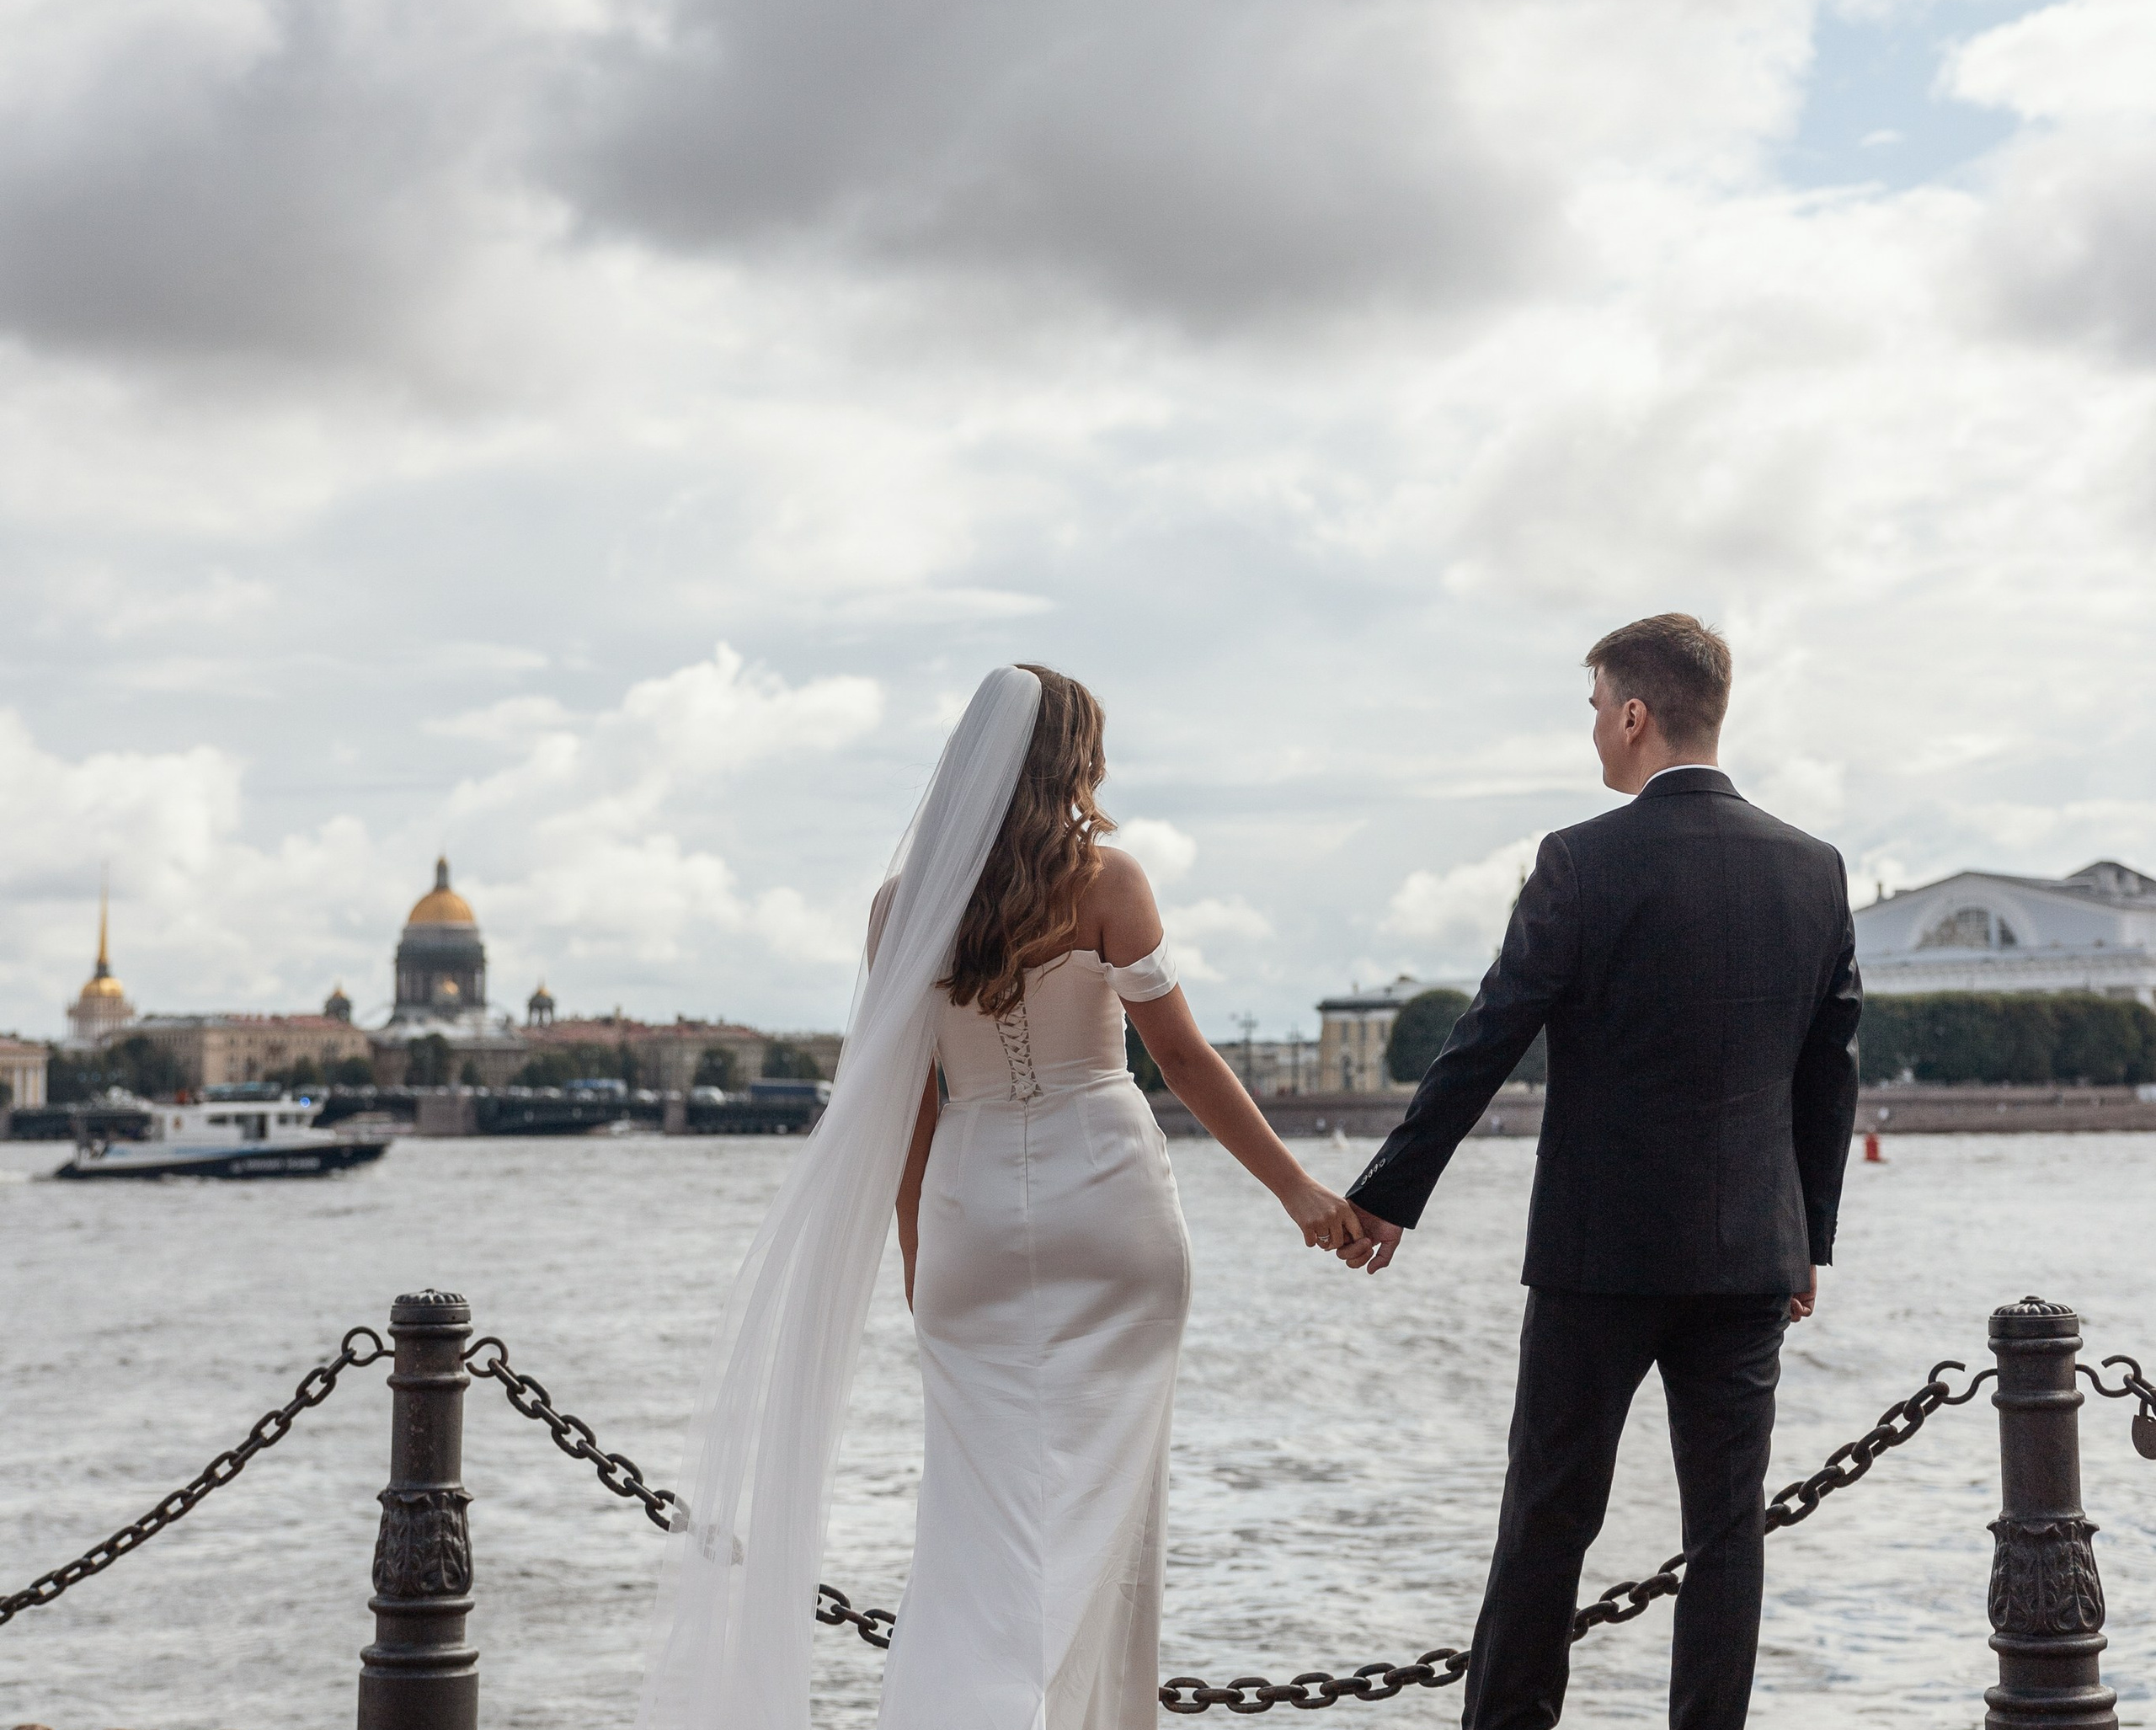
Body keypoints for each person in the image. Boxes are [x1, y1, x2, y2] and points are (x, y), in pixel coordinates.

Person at [638, 663, 1362, 1730]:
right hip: (1110, 1207)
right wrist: (1298, 1190)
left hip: (968, 1209)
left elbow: (907, 1110)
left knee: (976, 1523)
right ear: (1073, 758)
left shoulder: (902, 909)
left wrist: (915, 1251)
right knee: (1106, 1504)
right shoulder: (1108, 881)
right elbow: (1185, 1062)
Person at [1337, 614, 1861, 1730]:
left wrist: (1387, 1193)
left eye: (1593, 712)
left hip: (1598, 1255)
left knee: (1548, 1519)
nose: (1591, 735)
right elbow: (1829, 1077)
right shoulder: (1814, 870)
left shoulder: (1583, 861)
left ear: (1634, 715)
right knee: (1729, 1531)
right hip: (1750, 1259)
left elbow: (1488, 1036)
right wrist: (1807, 1238)